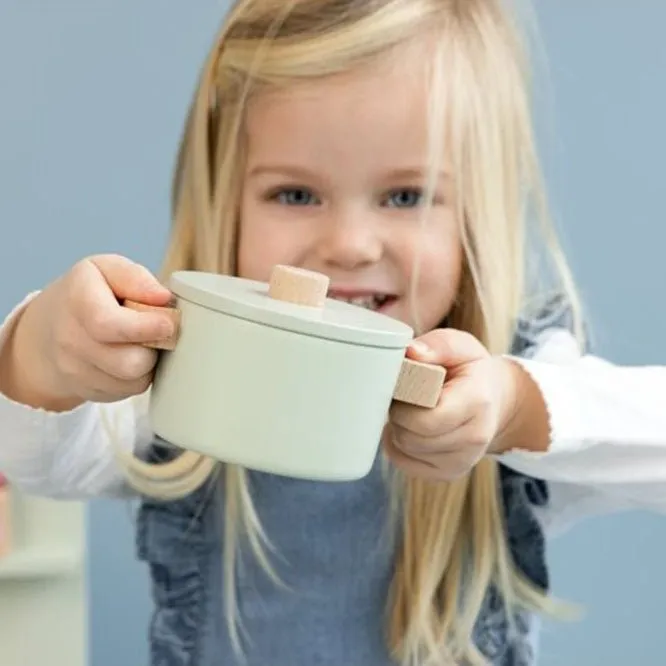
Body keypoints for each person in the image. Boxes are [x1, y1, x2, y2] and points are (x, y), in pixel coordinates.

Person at [0, 1, 665, 665]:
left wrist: (517, 410)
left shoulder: (508, 395)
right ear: (227, 202)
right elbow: (33, 458)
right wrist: (41, 350)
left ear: (473, 212)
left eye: (405, 196)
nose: (347, 246)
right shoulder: (183, 383)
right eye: (295, 194)